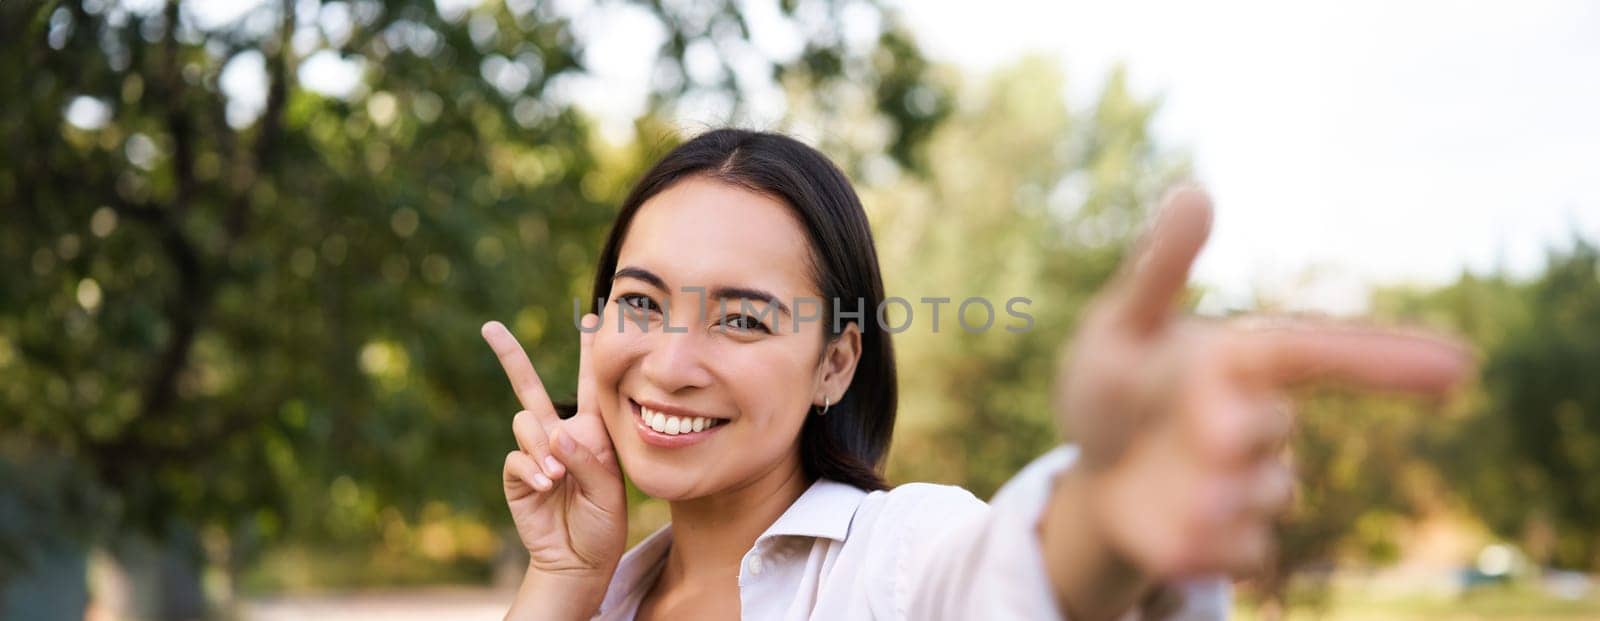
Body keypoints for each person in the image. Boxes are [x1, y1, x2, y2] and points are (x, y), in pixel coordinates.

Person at [482, 129, 1470, 620]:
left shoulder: (895, 557)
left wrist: (1110, 509)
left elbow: (1011, 580)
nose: (670, 361)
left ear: (835, 362)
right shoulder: (603, 591)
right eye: (640, 302)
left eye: (741, 318)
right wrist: (564, 579)